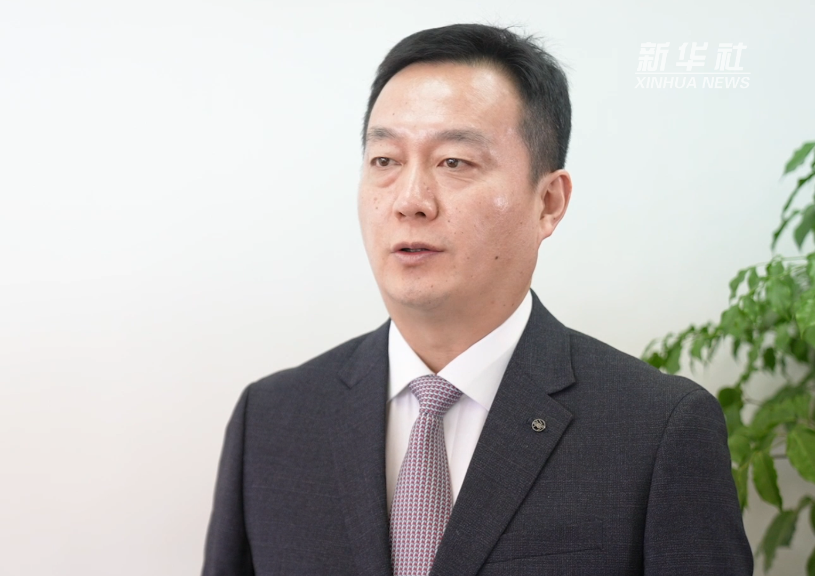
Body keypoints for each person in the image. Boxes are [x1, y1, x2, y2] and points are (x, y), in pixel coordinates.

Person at [202, 23, 752, 576]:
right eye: (385, 160)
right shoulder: (271, 421)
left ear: (548, 202)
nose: (410, 201)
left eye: (454, 162)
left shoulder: (656, 429)